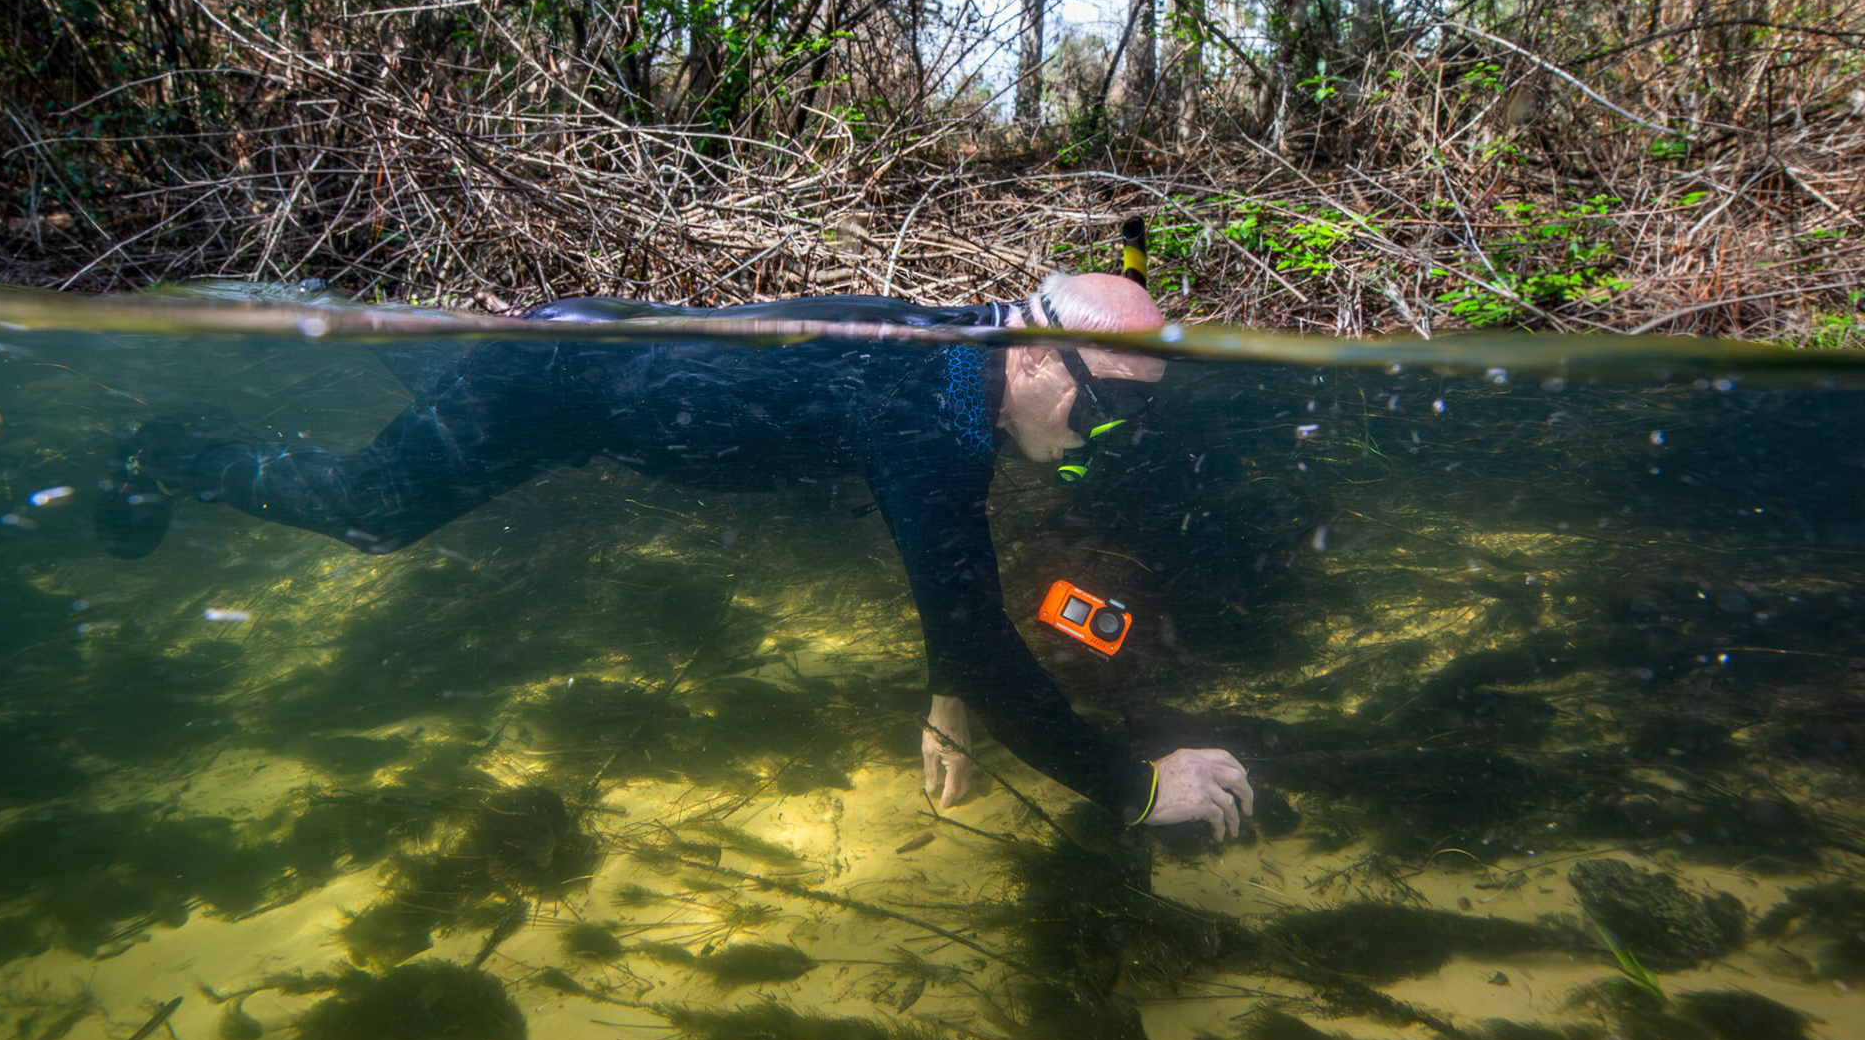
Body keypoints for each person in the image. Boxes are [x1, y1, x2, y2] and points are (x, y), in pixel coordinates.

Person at [98, 271, 1255, 840]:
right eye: (1112, 411)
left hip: (580, 351)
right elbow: (973, 623)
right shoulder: (931, 414)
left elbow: (945, 583)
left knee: (444, 392)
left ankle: (360, 321)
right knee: (375, 511)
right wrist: (1138, 785)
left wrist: (945, 700)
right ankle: (161, 445)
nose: (1107, 444)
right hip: (551, 388)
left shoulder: (947, 360)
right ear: (1045, 358)